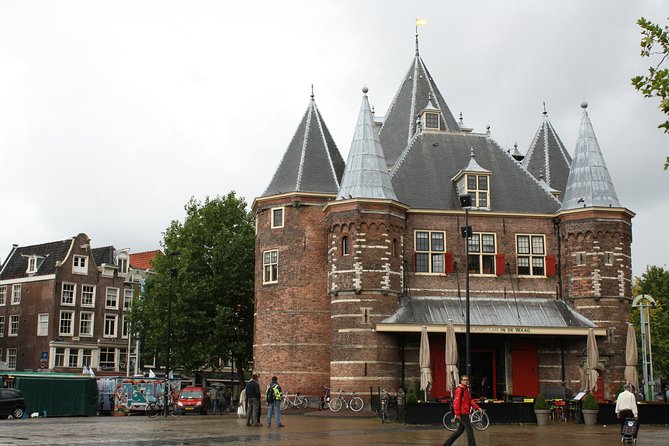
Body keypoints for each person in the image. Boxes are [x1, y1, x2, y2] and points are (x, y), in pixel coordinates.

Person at [443, 375, 481, 446]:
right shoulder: (459, 389)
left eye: (467, 380)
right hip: (462, 413)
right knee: (469, 430)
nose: (466, 381)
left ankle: (447, 443)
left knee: (460, 431)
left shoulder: (466, 389)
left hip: (465, 412)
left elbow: (470, 400)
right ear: (461, 381)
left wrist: (477, 408)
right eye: (464, 380)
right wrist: (457, 414)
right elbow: (456, 402)